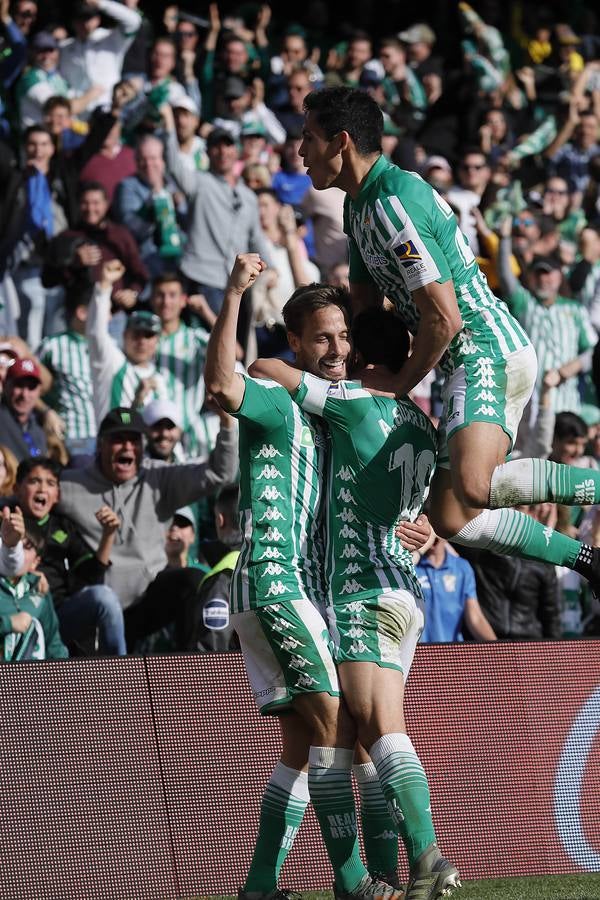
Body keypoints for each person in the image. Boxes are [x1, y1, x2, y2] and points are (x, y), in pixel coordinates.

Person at [299, 85, 600, 604]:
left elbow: (443, 318)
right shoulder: (359, 207)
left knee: (474, 485)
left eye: (308, 139)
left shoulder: (393, 203)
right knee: (452, 516)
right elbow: (366, 306)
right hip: (458, 360)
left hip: (485, 348)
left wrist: (397, 383)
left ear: (341, 142)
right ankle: (585, 558)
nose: (300, 152)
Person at [204, 254, 403, 900]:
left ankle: (260, 886)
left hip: (295, 591)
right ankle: (353, 884)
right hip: (273, 581)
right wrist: (233, 295)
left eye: (343, 336)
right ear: (295, 342)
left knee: (300, 744)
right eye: (323, 337)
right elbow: (224, 388)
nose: (337, 348)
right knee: (337, 726)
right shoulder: (276, 404)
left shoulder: (323, 413)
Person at [252, 300, 460, 900]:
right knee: (370, 741)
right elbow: (434, 511)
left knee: (375, 728)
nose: (338, 352)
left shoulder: (356, 404)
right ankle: (394, 877)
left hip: (363, 591)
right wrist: (428, 528)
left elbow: (269, 369)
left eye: (347, 343)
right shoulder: (423, 426)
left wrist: (303, 360)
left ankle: (427, 859)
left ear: (365, 358)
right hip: (404, 588)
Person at [57, 405, 237, 651]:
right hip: (98, 607)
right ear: (100, 444)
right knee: (100, 603)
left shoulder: (159, 478)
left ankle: (191, 667)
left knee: (193, 580)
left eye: (134, 440)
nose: (127, 447)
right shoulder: (70, 486)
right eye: (118, 439)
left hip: (147, 599)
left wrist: (226, 422)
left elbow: (220, 474)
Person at [5, 456, 126, 654]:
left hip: (58, 617)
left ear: (57, 495)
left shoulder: (64, 526)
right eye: (34, 481)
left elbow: (90, 574)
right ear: (17, 489)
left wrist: (108, 534)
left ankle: (120, 675)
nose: (42, 489)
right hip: (15, 613)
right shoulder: (6, 521)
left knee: (104, 598)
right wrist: (26, 578)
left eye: (50, 483)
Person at [162, 104, 272, 315]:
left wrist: (272, 269)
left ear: (236, 150)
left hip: (236, 282)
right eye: (216, 146)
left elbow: (256, 237)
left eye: (228, 145)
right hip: (201, 278)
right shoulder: (198, 182)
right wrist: (169, 126)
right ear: (207, 152)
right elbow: (174, 165)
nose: (223, 151)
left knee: (233, 346)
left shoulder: (248, 195)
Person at [86, 260, 169, 424]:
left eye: (148, 335)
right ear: (124, 336)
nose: (142, 341)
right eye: (136, 335)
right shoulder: (111, 363)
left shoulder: (160, 380)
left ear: (157, 341)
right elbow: (96, 332)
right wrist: (104, 286)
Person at [37, 286, 97, 462]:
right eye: (102, 311)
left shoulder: (108, 348)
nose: (108, 318)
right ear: (82, 312)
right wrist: (46, 411)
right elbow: (28, 386)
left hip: (105, 438)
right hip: (72, 438)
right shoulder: (52, 346)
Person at [58, 0, 141, 117]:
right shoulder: (64, 48)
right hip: (78, 114)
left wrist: (101, 3)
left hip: (108, 109)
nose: (85, 24)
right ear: (73, 22)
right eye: (81, 19)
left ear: (97, 19)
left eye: (89, 18)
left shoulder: (111, 39)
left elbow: (134, 22)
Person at [0, 526, 69, 660]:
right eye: (12, 544)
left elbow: (53, 645)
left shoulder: (40, 592)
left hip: (32, 678)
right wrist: (8, 624)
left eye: (26, 547)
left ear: (35, 562)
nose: (17, 551)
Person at [415, 535, 497, 642]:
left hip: (452, 652)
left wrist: (499, 650)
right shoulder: (411, 565)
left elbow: (475, 618)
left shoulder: (462, 568)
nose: (431, 533)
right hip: (417, 651)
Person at [0, 357, 47, 461]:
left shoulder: (41, 425)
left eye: (31, 387)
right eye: (19, 386)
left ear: (39, 390)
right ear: (5, 384)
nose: (25, 395)